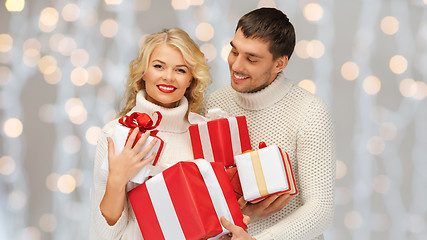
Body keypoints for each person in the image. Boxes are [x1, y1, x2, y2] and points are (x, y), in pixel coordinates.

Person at [204, 8, 336, 240]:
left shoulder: (309, 111)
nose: (236, 66)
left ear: (279, 63)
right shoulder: (215, 102)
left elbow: (320, 209)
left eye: (251, 59)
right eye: (234, 51)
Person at [89, 28, 212, 239]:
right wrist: (117, 180)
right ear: (143, 72)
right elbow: (104, 233)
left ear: (191, 79)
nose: (168, 77)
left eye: (181, 70)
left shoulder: (204, 132)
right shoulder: (116, 133)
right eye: (158, 66)